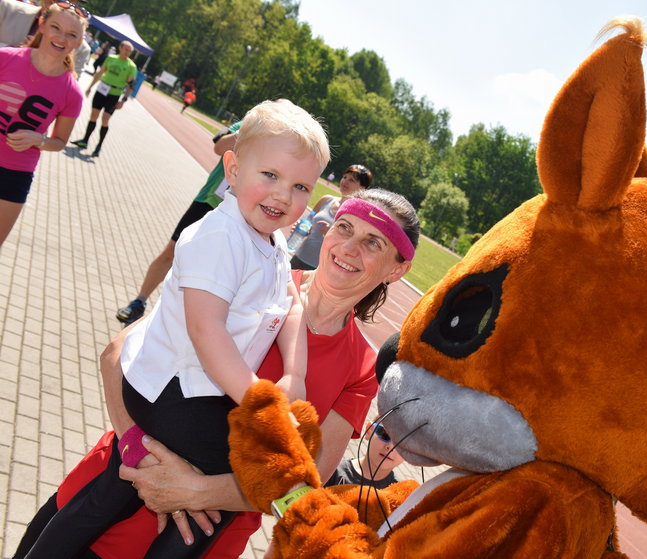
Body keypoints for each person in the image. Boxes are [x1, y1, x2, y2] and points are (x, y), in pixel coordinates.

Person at [12, 187, 421, 559]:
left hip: (199, 537)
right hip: (112, 487)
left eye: (373, 243)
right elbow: (117, 352)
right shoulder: (257, 271)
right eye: (344, 228)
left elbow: (304, 483)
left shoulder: (363, 369)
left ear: (396, 269)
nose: (349, 248)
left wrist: (193, 491)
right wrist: (137, 449)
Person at [18, 98, 327, 559]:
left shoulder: (274, 241)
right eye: (271, 176)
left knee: (115, 495)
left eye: (300, 185)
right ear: (233, 168)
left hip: (197, 392)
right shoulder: (218, 236)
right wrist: (262, 404)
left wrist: (294, 377)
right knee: (214, 493)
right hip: (169, 391)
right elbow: (207, 333)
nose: (283, 195)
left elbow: (292, 306)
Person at [116, 123, 239, 326]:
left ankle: (171, 318)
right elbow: (219, 147)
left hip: (234, 213)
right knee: (171, 250)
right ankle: (139, 302)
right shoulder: (242, 127)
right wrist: (248, 130)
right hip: (207, 201)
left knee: (204, 268)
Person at [0, 2, 86, 248]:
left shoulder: (72, 93)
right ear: (42, 25)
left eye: (71, 35)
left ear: (79, 42)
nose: (61, 38)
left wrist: (38, 140)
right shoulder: (5, 58)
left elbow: (59, 142)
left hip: (15, 175)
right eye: (56, 28)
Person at [290, 164, 372, 270]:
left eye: (351, 180)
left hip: (323, 269)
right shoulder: (326, 200)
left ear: (363, 188)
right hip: (299, 257)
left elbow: (353, 247)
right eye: (345, 177)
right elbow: (308, 221)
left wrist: (331, 233)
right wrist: (300, 227)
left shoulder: (358, 216)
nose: (345, 181)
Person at [71, 39, 136, 157]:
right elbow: (100, 73)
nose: (127, 52)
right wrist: (90, 87)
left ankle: (99, 145)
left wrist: (123, 100)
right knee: (93, 115)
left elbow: (131, 85)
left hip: (114, 94)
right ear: (120, 48)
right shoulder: (111, 59)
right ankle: (85, 141)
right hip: (102, 90)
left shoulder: (131, 66)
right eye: (126, 49)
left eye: (130, 51)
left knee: (105, 119)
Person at [324, 421, 404, 489]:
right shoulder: (332, 473)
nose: (390, 447)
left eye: (402, 444)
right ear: (369, 431)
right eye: (385, 434)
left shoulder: (401, 498)